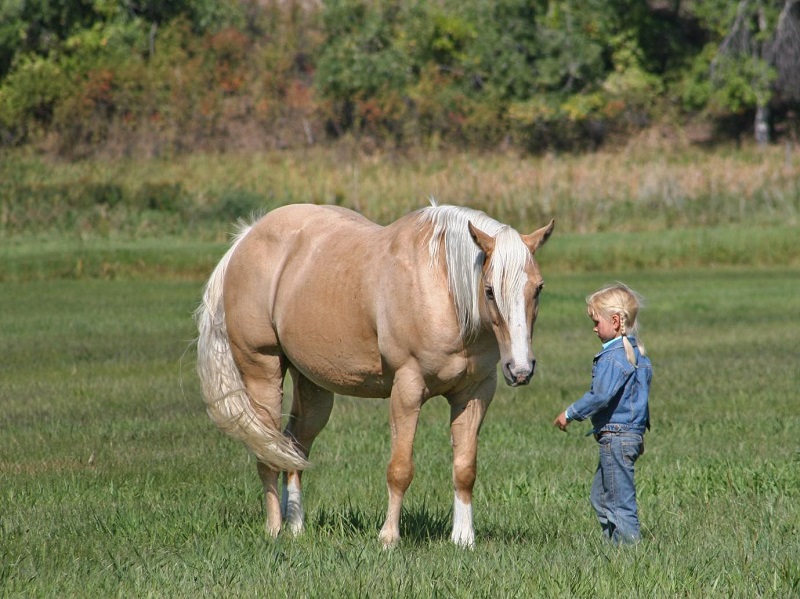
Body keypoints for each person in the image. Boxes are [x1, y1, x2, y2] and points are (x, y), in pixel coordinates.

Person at [554, 283, 652, 545]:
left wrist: (570, 413)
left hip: (617, 437)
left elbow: (600, 396)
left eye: (597, 322)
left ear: (616, 321)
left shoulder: (614, 357)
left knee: (619, 501)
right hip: (627, 436)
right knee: (601, 496)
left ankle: (629, 551)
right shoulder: (638, 356)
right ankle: (613, 546)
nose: (594, 328)